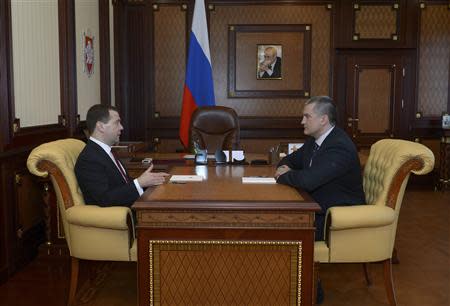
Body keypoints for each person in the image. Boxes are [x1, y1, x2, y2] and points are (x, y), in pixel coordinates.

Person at [274, 96, 365, 241]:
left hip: (334, 218)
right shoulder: (315, 140)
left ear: (323, 119)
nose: (302, 122)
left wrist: (284, 175)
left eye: (307, 117)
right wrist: (285, 169)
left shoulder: (339, 146)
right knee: (273, 222)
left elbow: (308, 181)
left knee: (277, 228)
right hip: (316, 206)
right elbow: (289, 160)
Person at [75, 104, 169, 207]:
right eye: (117, 123)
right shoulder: (89, 159)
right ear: (101, 126)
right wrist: (139, 183)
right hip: (117, 217)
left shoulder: (107, 151)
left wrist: (149, 181)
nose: (121, 127)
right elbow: (104, 199)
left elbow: (122, 185)